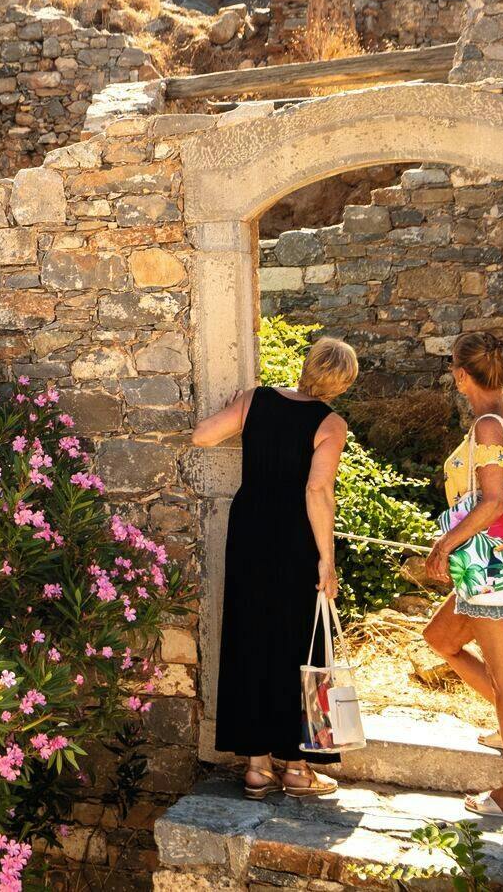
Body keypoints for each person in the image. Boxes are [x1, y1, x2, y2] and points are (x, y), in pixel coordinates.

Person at [193, 335, 359, 799]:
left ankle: (257, 767)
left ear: (308, 365)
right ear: (341, 383)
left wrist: (241, 410)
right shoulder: (330, 422)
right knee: (299, 645)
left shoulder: (256, 400)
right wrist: (327, 559)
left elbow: (201, 435)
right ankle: (298, 768)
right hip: (294, 541)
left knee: (250, 636)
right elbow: (317, 491)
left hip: (248, 534)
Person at [419, 331, 503, 822]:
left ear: (460, 375)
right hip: (488, 571)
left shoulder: (489, 426)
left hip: (494, 572)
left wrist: (444, 544)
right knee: (440, 638)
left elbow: (494, 503)